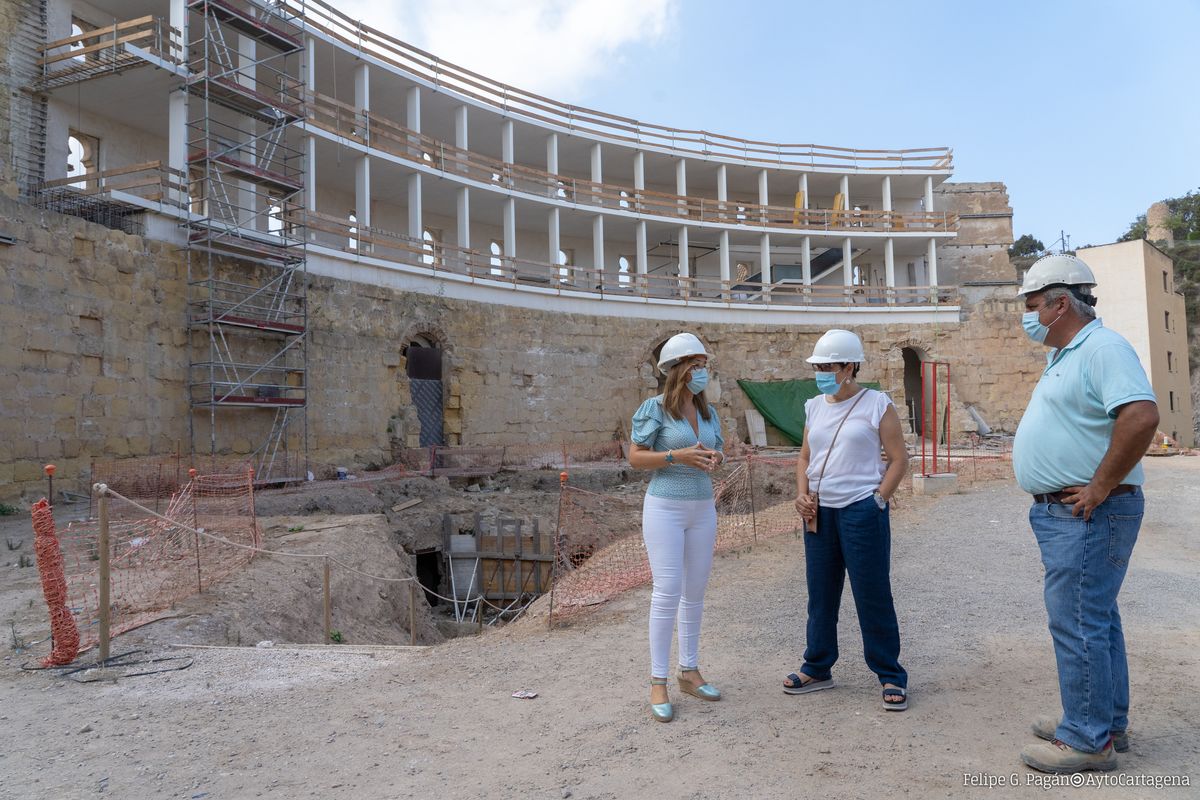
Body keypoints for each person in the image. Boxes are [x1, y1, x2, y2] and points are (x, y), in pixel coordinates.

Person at [1012, 254, 1159, 774]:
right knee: (1095, 618)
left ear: (1058, 304)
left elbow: (1140, 415)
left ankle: (1086, 739)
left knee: (1077, 620)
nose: (1026, 317)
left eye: (1031, 306)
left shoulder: (1102, 348)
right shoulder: (1069, 354)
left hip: (1090, 512)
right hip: (1072, 514)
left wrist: (1100, 485)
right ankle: (1104, 722)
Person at [784, 329, 911, 711]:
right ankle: (817, 667)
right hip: (818, 511)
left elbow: (899, 458)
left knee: (872, 592)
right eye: (818, 366)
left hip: (861, 509)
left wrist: (878, 499)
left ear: (850, 366)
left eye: (829, 365)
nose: (822, 372)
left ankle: (890, 673)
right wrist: (802, 494)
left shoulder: (877, 404)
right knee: (820, 592)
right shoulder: (814, 406)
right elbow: (805, 457)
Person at [629, 332, 726, 723]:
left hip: (702, 507)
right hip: (665, 507)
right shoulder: (654, 408)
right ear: (679, 369)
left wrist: (715, 456)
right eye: (697, 365)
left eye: (705, 365)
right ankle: (657, 681)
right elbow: (636, 458)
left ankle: (689, 671)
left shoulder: (707, 412)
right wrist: (675, 455)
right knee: (666, 590)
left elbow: (717, 449)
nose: (703, 371)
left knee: (696, 591)